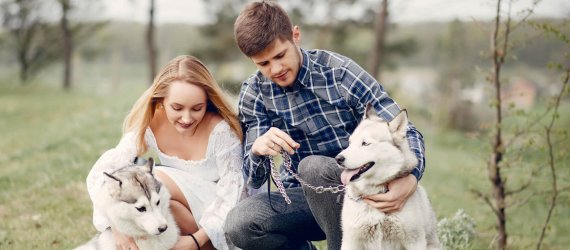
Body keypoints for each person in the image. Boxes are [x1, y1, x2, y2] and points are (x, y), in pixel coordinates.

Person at [224, 1, 427, 250]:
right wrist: (257, 150)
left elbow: (408, 131)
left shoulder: (339, 73)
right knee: (240, 224)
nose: (275, 69)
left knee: (314, 166)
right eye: (263, 64)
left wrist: (412, 178)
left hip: (364, 191)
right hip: (303, 198)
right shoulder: (254, 94)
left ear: (295, 36)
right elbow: (254, 180)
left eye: (279, 55)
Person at [87, 55, 246, 250]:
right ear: (161, 100)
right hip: (187, 214)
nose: (186, 118)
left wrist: (196, 241)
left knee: (156, 178)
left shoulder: (221, 131)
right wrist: (117, 229)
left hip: (224, 217)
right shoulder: (152, 123)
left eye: (197, 108)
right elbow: (102, 173)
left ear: (207, 101)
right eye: (177, 108)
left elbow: (234, 194)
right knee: (161, 205)